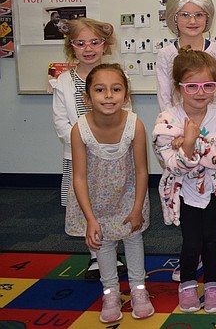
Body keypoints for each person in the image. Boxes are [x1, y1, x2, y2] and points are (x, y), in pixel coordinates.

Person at [152, 49, 216, 313]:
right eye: (191, 86)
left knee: (211, 238)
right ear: (178, 87)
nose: (200, 92)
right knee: (192, 241)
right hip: (183, 190)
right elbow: (173, 164)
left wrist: (191, 144)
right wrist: (196, 146)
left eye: (208, 86)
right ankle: (188, 283)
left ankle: (213, 283)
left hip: (213, 187)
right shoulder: (168, 119)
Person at [64, 64, 153, 323]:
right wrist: (90, 218)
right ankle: (110, 291)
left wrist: (137, 208)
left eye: (116, 89)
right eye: (100, 90)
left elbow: (141, 171)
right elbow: (79, 177)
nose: (108, 96)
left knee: (133, 238)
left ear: (126, 95)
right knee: (102, 242)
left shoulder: (135, 125)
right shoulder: (79, 129)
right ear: (87, 97)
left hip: (128, 194)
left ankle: (138, 289)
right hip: (95, 198)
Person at [156, 0, 216, 280]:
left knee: (215, 190)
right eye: (185, 14)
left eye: (199, 14)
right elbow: (165, 97)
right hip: (178, 134)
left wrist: (208, 136)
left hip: (213, 129)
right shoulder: (166, 53)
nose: (192, 20)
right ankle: (193, 251)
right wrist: (177, 134)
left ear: (208, 18)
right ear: (173, 18)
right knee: (186, 194)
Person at [51, 18, 117, 281]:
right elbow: (60, 122)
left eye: (94, 42)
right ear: (72, 47)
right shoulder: (63, 81)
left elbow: (124, 112)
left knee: (111, 203)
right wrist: (82, 143)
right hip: (79, 157)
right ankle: (95, 256)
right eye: (80, 43)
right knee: (86, 206)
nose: (88, 48)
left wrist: (108, 143)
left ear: (104, 45)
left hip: (111, 156)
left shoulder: (115, 76)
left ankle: (112, 252)